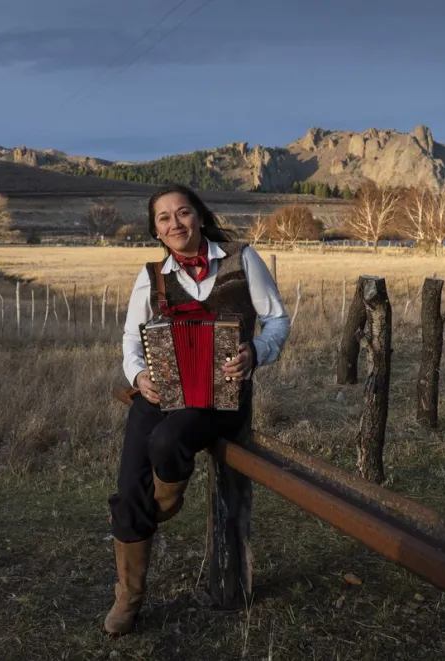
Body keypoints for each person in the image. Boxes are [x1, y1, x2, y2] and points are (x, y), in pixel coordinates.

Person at [104, 183, 290, 635]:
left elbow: (278, 321)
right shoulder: (151, 276)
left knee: (167, 441)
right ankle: (128, 599)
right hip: (163, 390)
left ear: (200, 216)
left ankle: (165, 502)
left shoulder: (242, 260)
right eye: (164, 218)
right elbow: (132, 339)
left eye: (182, 213)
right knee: (128, 486)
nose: (175, 223)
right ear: (156, 230)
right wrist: (138, 376)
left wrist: (255, 353)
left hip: (222, 398)